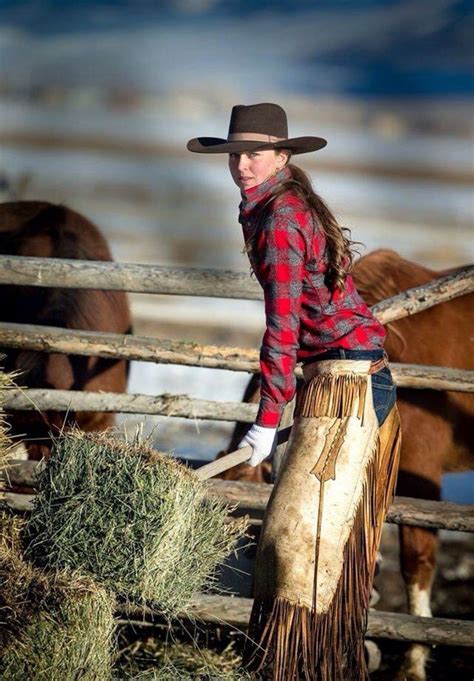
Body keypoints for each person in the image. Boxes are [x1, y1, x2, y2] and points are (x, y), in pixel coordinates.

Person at [187, 103, 401, 680]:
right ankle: (307, 663)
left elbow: (282, 327)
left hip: (348, 386)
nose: (242, 165)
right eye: (236, 155)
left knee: (297, 544)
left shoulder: (281, 217)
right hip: (337, 374)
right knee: (307, 543)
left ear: (282, 156)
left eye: (255, 153)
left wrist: (265, 419)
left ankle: (307, 666)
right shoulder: (267, 206)